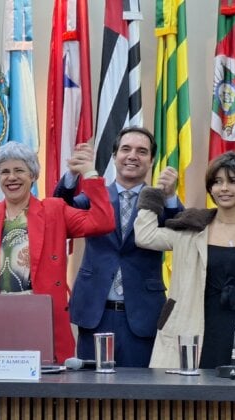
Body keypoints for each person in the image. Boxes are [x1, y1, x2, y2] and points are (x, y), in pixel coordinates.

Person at [0, 141, 115, 363]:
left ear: (33, 175)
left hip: (38, 314)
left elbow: (103, 222)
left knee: (41, 384)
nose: (11, 177)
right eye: (5, 172)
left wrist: (91, 175)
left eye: (19, 170)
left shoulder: (54, 210)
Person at [134, 151, 235, 369]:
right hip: (196, 328)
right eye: (218, 182)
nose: (224, 188)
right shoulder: (191, 229)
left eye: (233, 181)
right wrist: (155, 195)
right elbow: (145, 236)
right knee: (196, 399)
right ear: (210, 188)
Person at [54, 127, 183, 367]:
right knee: (90, 393)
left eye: (142, 151)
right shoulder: (95, 195)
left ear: (152, 160)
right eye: (126, 149)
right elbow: (59, 209)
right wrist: (72, 176)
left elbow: (183, 232)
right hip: (96, 312)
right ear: (114, 156)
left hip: (142, 314)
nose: (133, 156)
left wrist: (170, 197)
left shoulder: (159, 198)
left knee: (138, 393)